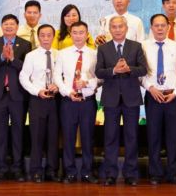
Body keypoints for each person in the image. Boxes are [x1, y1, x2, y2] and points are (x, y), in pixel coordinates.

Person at [96, 15, 148, 185]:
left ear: (126, 28)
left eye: (120, 26)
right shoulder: (103, 48)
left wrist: (128, 69)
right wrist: (114, 71)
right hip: (111, 99)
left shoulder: (136, 46)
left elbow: (143, 70)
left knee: (131, 137)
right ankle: (110, 174)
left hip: (131, 98)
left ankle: (131, 174)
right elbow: (99, 72)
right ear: (109, 30)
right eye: (114, 27)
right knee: (110, 137)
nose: (117, 30)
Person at [0, 13, 32, 181]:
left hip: (18, 95)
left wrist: (12, 59)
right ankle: (1, 168)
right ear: (2, 26)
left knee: (18, 133)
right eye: (6, 24)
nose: (9, 26)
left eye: (12, 24)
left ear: (17, 26)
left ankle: (18, 169)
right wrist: (1, 58)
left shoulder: (25, 44)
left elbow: (28, 69)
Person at [142, 13, 176, 185]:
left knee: (173, 136)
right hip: (153, 95)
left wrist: (175, 93)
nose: (160, 28)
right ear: (151, 27)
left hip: (172, 97)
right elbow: (141, 73)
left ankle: (172, 173)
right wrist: (150, 88)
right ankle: (155, 173)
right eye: (156, 25)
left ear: (168, 27)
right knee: (153, 136)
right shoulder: (143, 46)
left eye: (163, 25)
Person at [54, 21, 98, 183]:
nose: (78, 36)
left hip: (87, 101)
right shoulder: (62, 54)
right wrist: (67, 92)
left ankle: (87, 171)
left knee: (88, 138)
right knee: (68, 138)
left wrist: (86, 83)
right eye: (75, 32)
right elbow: (57, 76)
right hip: (68, 101)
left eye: (81, 32)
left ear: (87, 34)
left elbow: (100, 78)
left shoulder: (95, 54)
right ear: (70, 34)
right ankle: (69, 172)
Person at [19, 24, 61, 182]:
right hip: (37, 100)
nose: (45, 38)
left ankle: (52, 170)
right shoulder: (31, 56)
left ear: (53, 37)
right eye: (42, 35)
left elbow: (65, 75)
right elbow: (23, 77)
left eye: (49, 35)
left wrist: (58, 86)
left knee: (53, 137)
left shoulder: (60, 55)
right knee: (36, 136)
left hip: (56, 100)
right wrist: (37, 91)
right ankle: (36, 170)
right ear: (38, 37)